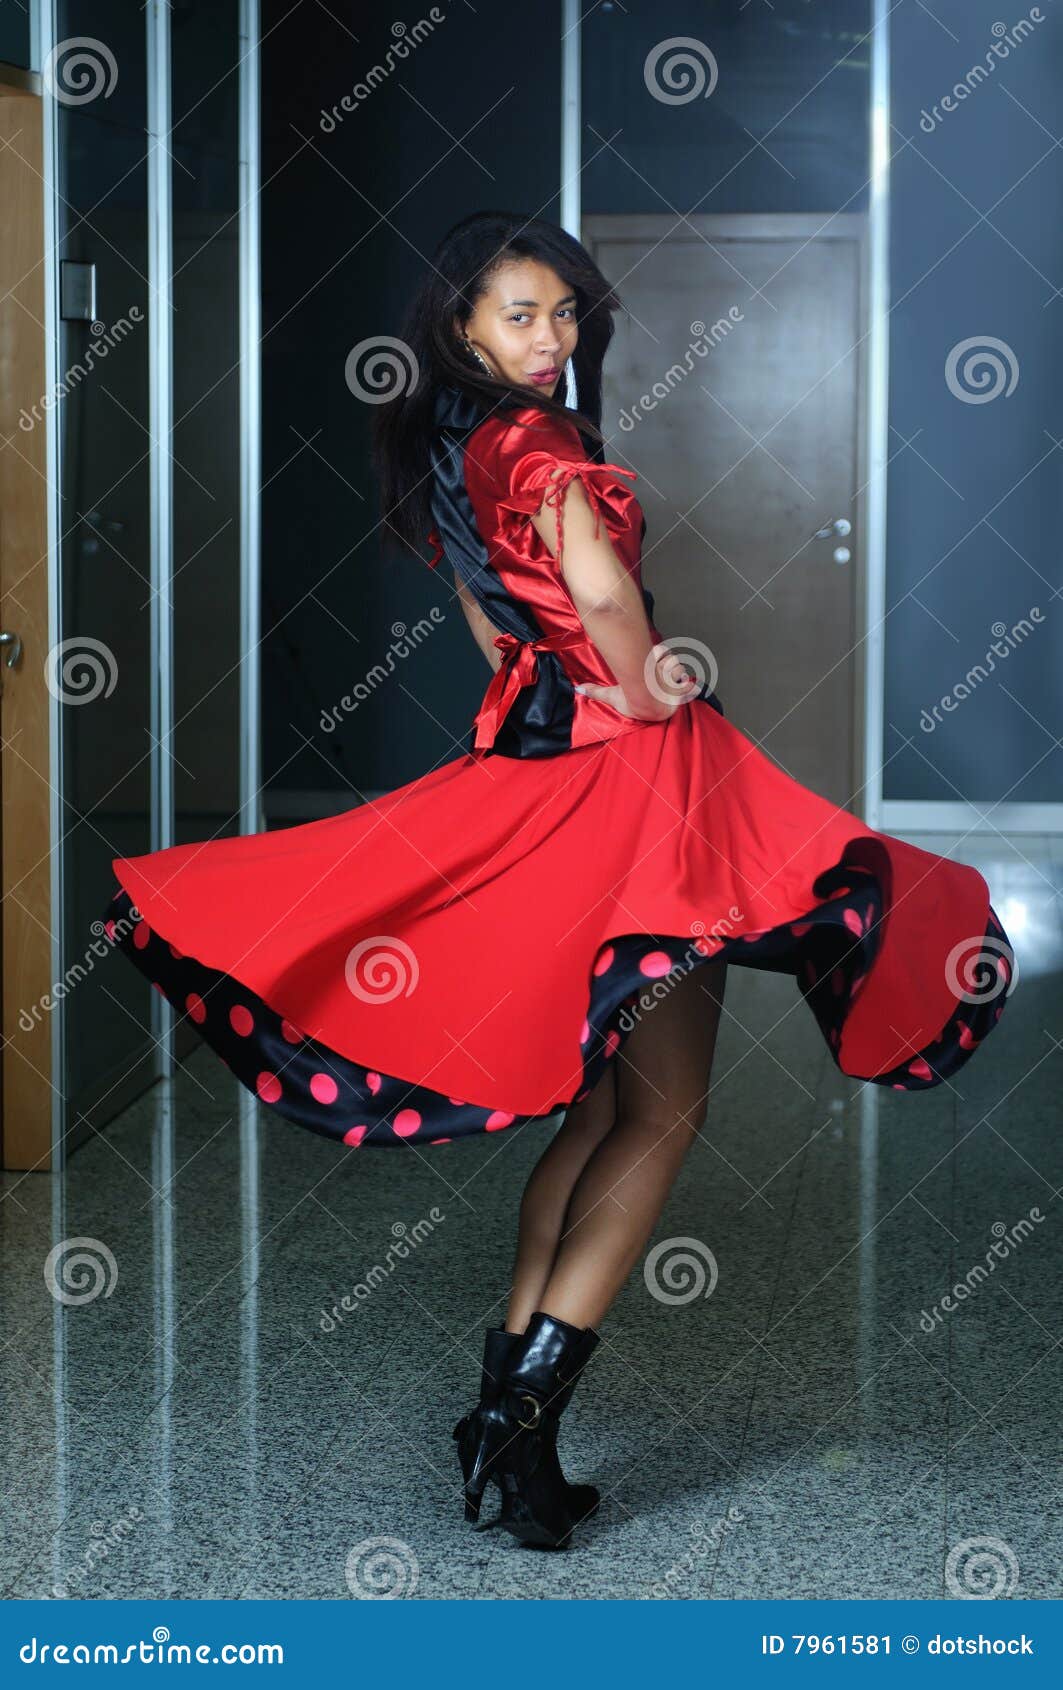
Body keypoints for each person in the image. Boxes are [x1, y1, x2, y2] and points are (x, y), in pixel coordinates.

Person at [103, 210, 1015, 1552]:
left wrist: (569, 695)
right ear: (463, 326)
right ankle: (523, 1429)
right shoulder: (541, 445)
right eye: (521, 314)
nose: (551, 336)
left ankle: (498, 1415)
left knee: (597, 1114)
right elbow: (602, 605)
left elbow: (492, 633)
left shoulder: (451, 449)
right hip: (638, 799)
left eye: (567, 312)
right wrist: (655, 682)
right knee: (666, 1115)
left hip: (553, 777)